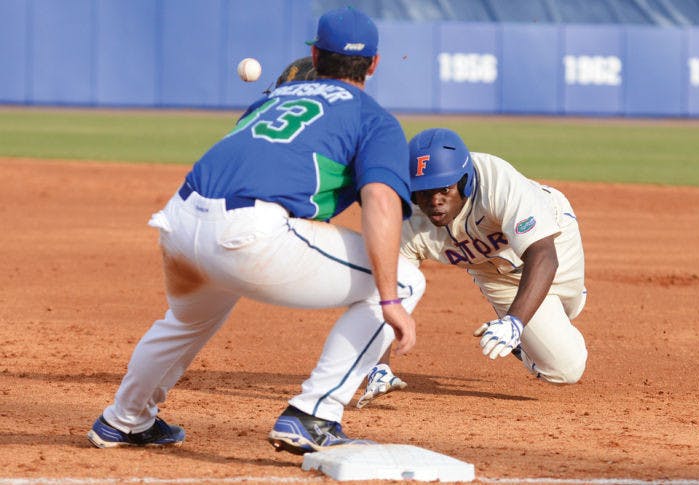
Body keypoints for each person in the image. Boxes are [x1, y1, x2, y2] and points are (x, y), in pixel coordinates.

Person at [86, 6, 425, 455]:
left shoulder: (270, 99)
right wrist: (389, 299)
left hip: (180, 219)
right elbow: (381, 201)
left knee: (187, 320)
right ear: (375, 64)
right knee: (405, 279)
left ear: (315, 56)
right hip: (248, 234)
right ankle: (314, 414)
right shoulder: (374, 118)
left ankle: (123, 420)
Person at [355, 128, 588, 408]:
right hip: (492, 273)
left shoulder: (497, 182)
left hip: (553, 242)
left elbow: (543, 255)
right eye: (424, 192)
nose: (435, 201)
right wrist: (378, 366)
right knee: (566, 369)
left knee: (568, 308)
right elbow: (385, 292)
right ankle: (524, 336)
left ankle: (522, 325)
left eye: (444, 188)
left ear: (464, 182)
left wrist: (514, 322)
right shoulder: (408, 220)